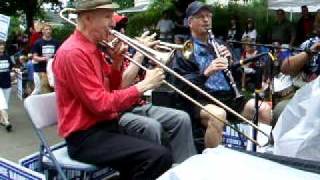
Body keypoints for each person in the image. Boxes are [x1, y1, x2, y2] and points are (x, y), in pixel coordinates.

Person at [53, 1, 194, 179]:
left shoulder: (93, 47)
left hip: (105, 127)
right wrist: (143, 86)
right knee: (157, 157)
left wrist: (117, 62)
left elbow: (113, 88)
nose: (113, 23)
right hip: (85, 137)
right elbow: (101, 104)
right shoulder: (73, 53)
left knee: (161, 146)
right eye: (107, 16)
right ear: (88, 18)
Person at [170, 1, 272, 148]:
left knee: (263, 109)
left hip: (229, 97)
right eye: (201, 17)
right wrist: (206, 73)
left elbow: (239, 76)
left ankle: (261, 153)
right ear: (190, 22)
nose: (206, 20)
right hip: (203, 99)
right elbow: (182, 85)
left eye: (208, 16)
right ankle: (213, 162)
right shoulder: (185, 50)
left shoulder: (220, 44)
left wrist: (232, 62)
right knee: (218, 115)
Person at [111, 13, 196, 163]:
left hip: (137, 105)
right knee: (151, 127)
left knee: (182, 118)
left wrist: (155, 61)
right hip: (118, 111)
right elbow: (121, 85)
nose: (122, 32)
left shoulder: (125, 51)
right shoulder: (105, 52)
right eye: (117, 28)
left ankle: (182, 168)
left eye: (123, 27)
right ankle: (157, 170)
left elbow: (145, 79)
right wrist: (140, 52)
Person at [31, 23, 59, 95]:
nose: (48, 31)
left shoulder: (56, 42)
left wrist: (55, 57)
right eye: (46, 29)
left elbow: (59, 54)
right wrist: (43, 59)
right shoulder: (38, 43)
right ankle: (46, 104)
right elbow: (34, 57)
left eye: (50, 29)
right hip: (42, 70)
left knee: (55, 90)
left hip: (54, 70)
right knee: (45, 89)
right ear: (42, 31)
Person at [0, 41, 13, 131]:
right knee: (2, 103)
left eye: (2, 46)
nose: (2, 48)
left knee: (6, 103)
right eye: (0, 46)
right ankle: (7, 122)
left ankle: (2, 119)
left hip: (7, 83)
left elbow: (11, 67)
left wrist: (13, 72)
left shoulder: (7, 57)